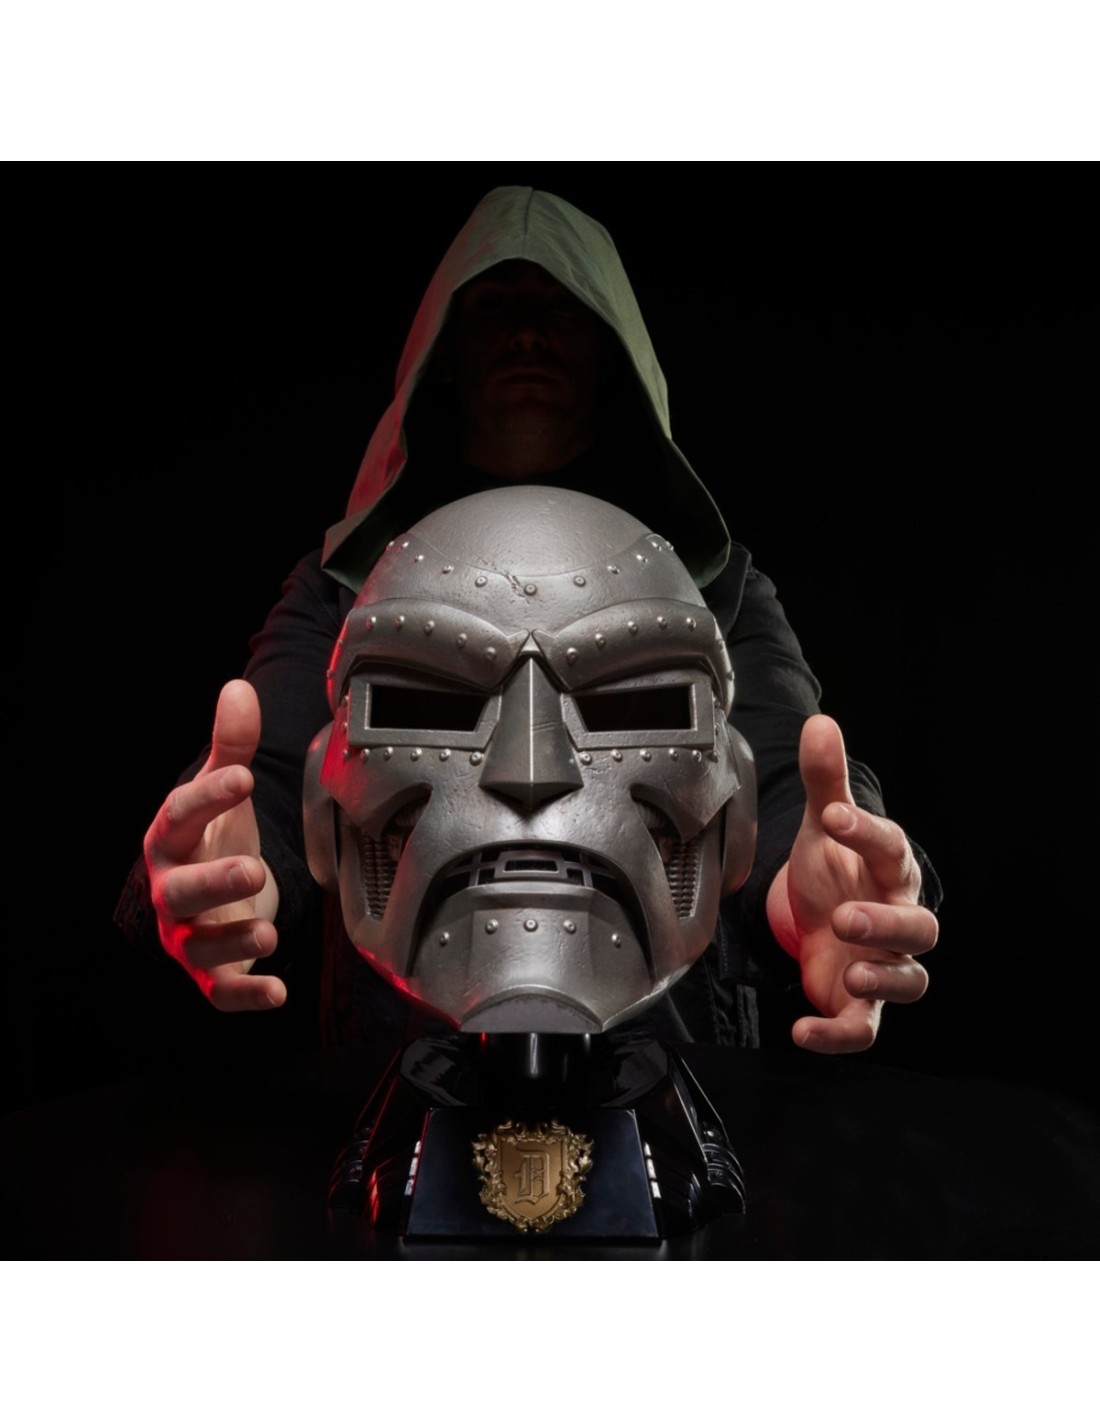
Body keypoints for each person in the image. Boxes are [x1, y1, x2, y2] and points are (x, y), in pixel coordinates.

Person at [117, 186, 939, 1055]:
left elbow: (788, 775)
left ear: (611, 352)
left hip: (667, 1059)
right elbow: (268, 777)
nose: (528, 334)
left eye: (562, 308)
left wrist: (819, 884)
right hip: (401, 1063)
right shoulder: (342, 589)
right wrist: (232, 871)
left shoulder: (715, 589)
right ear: (444, 351)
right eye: (495, 306)